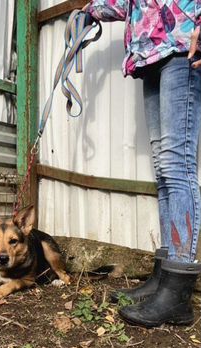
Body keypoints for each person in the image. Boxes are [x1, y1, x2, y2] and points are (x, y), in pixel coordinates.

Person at [83, 0, 201, 328]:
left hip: (183, 47)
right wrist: (89, 10)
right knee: (164, 168)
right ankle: (164, 279)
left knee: (178, 166)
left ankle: (178, 295)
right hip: (151, 54)